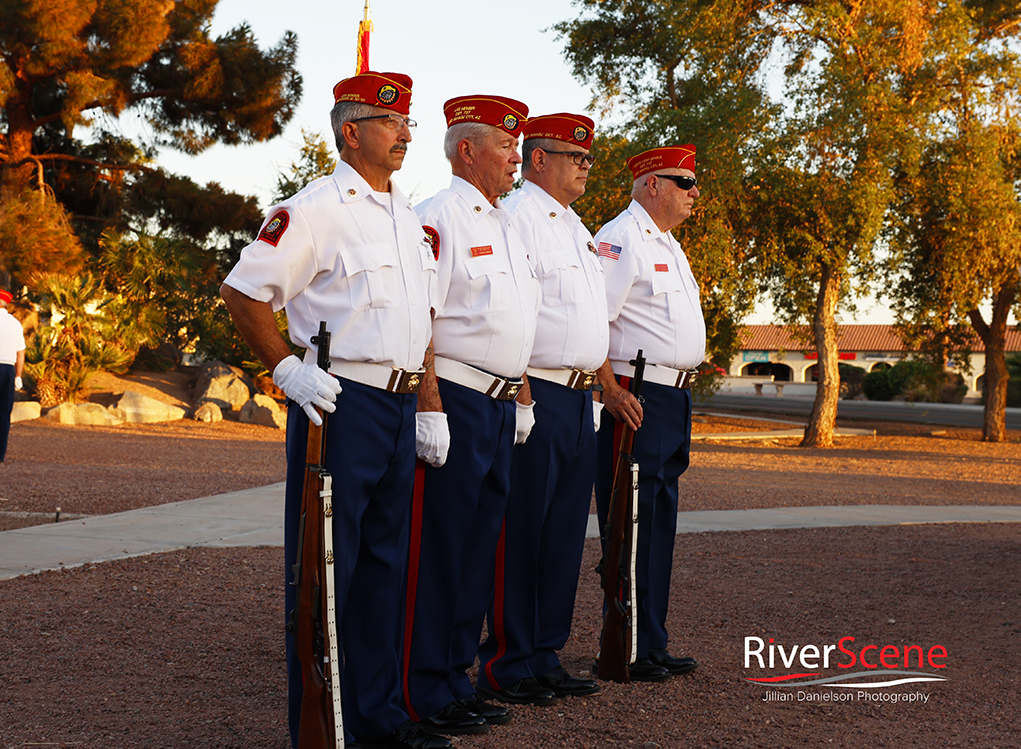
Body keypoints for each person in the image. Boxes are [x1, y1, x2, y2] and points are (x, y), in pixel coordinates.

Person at [220, 72, 450, 749]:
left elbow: (423, 320)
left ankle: (376, 716)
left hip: (400, 403)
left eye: (407, 123)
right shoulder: (316, 208)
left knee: (384, 567)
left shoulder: (406, 216)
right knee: (326, 567)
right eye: (391, 123)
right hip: (340, 405)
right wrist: (286, 369)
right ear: (351, 132)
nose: (407, 134)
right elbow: (243, 291)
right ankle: (321, 727)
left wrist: (429, 402)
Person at [400, 94, 543, 735]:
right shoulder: (439, 218)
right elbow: (422, 319)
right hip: (453, 399)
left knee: (478, 548)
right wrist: (429, 407)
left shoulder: (505, 224)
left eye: (516, 146)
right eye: (506, 146)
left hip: (497, 405)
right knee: (442, 549)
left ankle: (456, 678)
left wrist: (520, 396)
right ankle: (421, 688)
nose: (516, 157)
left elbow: (518, 323)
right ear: (467, 150)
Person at [475, 113, 607, 702]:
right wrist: (523, 392)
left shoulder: (576, 227)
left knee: (562, 534)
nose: (585, 166)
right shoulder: (519, 218)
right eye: (575, 157)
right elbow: (518, 313)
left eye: (587, 158)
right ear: (537, 160)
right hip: (541, 392)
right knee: (522, 531)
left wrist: (599, 389)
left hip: (579, 398)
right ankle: (508, 660)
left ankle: (545, 650)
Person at [593, 145, 705, 683]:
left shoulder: (671, 248)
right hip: (638, 397)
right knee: (629, 521)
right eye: (684, 182)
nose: (693, 193)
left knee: (658, 525)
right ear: (650, 184)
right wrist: (611, 390)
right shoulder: (620, 239)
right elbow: (596, 323)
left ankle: (651, 641)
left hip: (673, 398)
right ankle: (625, 642)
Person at [0, 289, 26, 463]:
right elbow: (20, 353)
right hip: (8, 369)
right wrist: (18, 375)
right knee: (3, 413)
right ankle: (0, 453)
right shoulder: (16, 323)